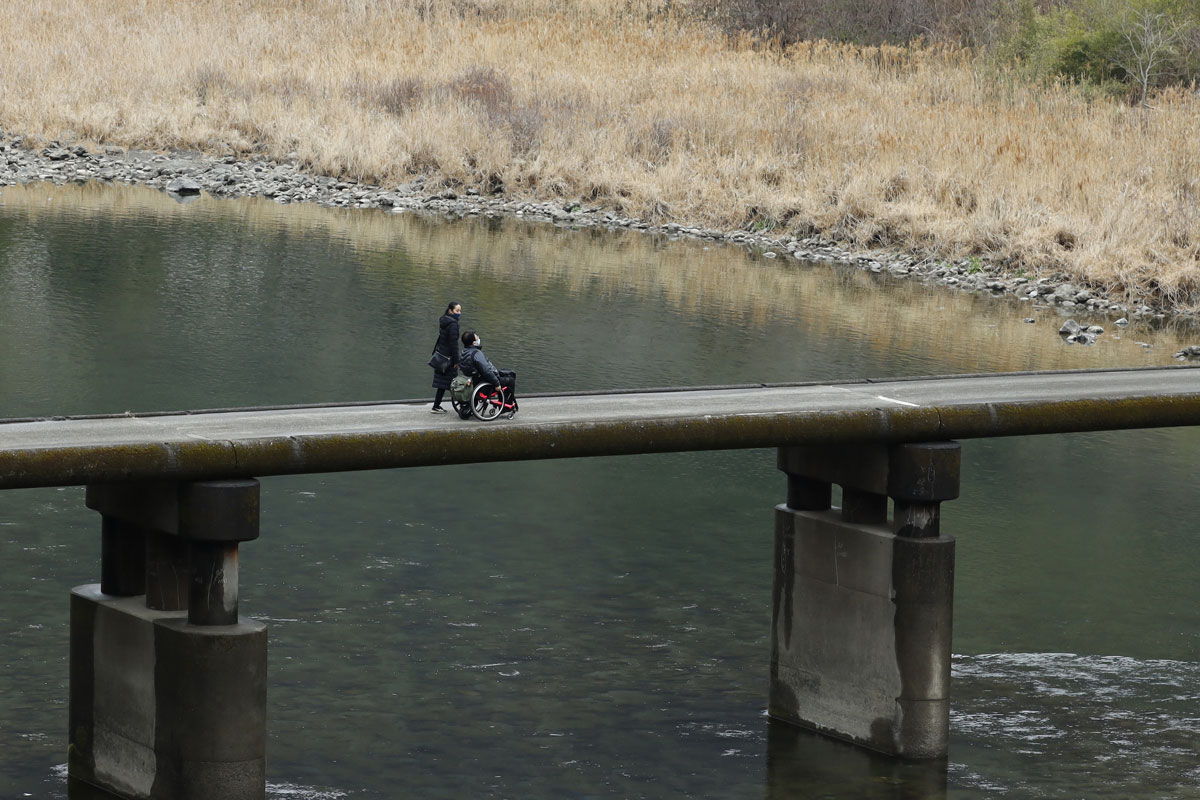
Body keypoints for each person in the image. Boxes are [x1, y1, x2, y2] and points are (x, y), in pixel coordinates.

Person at [458, 329, 517, 404]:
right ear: (474, 343)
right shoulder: (476, 354)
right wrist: (497, 383)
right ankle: (506, 405)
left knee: (504, 372)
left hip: (474, 380)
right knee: (511, 379)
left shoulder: (463, 352)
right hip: (484, 382)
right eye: (477, 338)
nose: (479, 338)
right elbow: (487, 371)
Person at [430, 302, 461, 413]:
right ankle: (462, 404)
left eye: (460, 311)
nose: (459, 313)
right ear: (450, 311)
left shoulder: (444, 320)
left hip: (441, 356)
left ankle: (436, 406)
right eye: (457, 311)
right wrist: (456, 360)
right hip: (449, 358)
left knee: (442, 384)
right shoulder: (453, 324)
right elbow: (454, 344)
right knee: (454, 383)